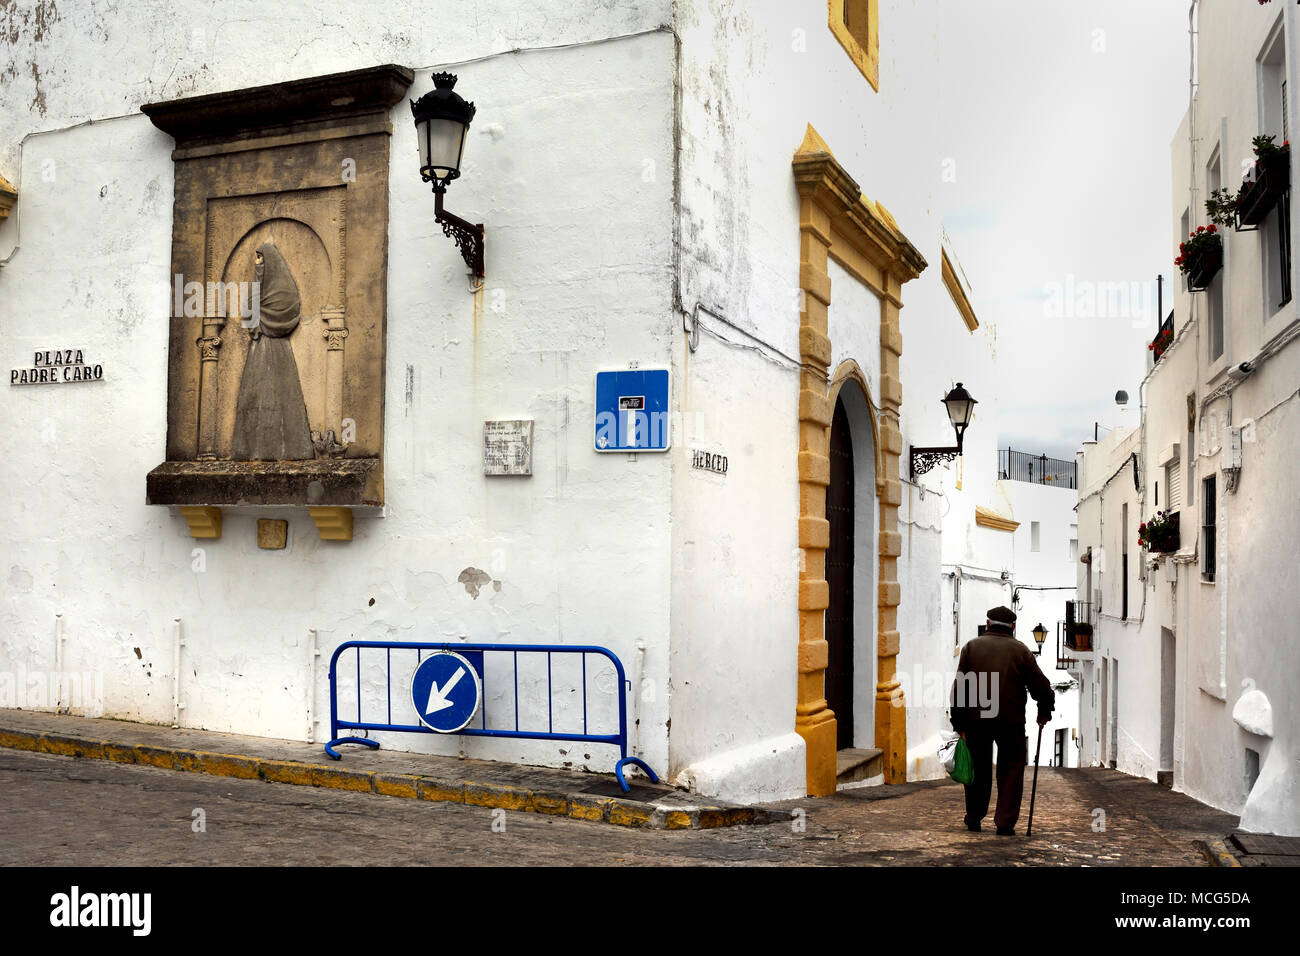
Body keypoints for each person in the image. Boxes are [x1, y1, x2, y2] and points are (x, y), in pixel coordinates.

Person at [949, 605, 1054, 835]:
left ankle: (974, 817)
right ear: (1013, 627)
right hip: (1011, 721)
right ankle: (1005, 822)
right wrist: (1044, 709)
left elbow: (960, 689)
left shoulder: (971, 648)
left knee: (978, 769)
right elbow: (1041, 686)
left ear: (987, 624)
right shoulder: (1021, 651)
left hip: (977, 720)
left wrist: (959, 723)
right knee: (1011, 770)